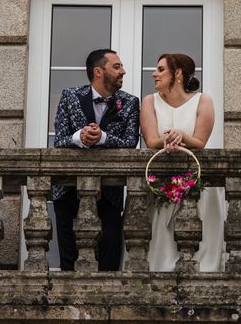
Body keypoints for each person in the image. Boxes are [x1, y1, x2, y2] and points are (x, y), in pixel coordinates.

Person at [52, 49, 140, 271]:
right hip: (67, 190)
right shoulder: (70, 96)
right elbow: (60, 141)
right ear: (98, 71)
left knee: (110, 254)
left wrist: (102, 137)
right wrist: (79, 137)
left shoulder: (130, 103)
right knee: (68, 258)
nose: (123, 71)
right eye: (117, 66)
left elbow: (130, 142)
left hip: (109, 192)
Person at [140, 53, 226, 272]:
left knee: (202, 248)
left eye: (160, 70)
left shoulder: (203, 100)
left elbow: (199, 141)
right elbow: (151, 141)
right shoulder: (150, 101)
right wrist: (167, 140)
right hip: (161, 183)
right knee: (158, 248)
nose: (154, 74)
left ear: (177, 73)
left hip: (197, 182)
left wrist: (181, 136)